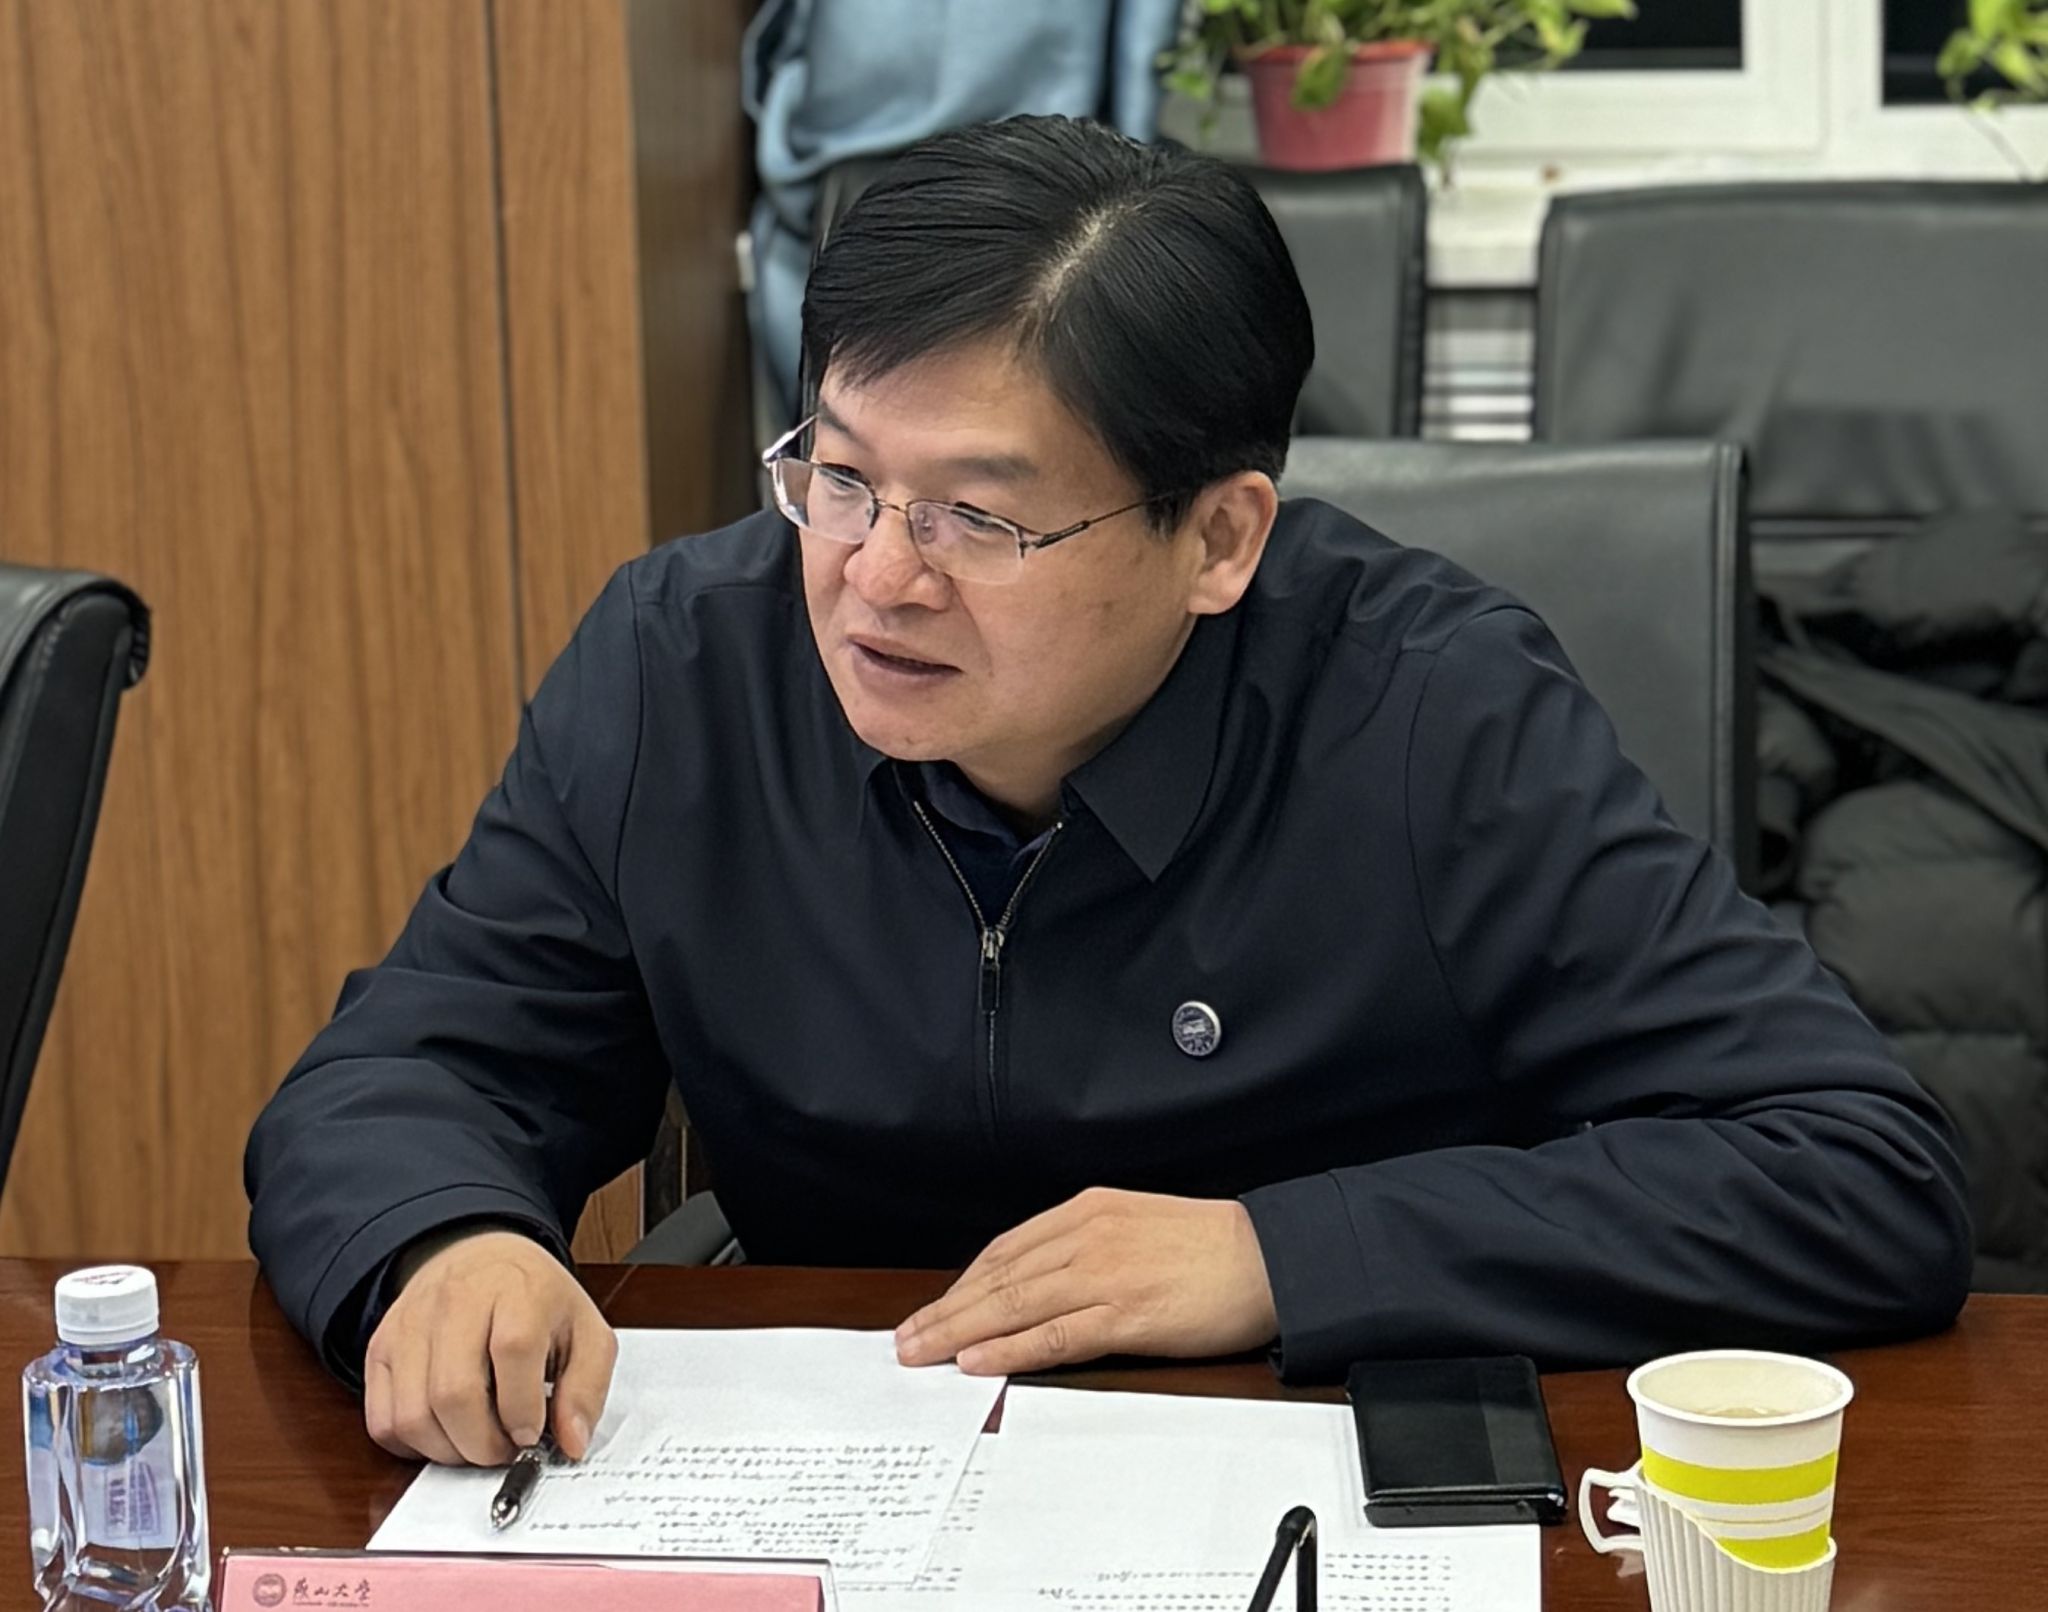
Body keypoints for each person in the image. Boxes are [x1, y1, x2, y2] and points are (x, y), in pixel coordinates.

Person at [245, 115, 1972, 1469]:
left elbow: (1854, 1172)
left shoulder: (1432, 714)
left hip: (1301, 1474)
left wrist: (1284, 1255)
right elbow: (413, 1067)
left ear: (1217, 538)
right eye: (840, 479)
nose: (876, 578)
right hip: (843, 1478)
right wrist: (443, 1239)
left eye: (979, 517)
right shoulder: (681, 668)